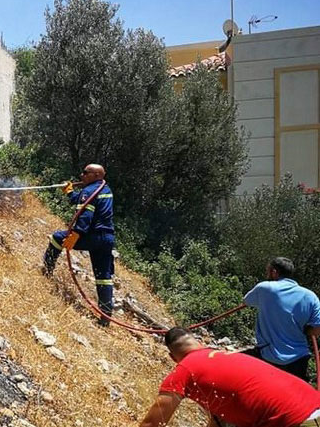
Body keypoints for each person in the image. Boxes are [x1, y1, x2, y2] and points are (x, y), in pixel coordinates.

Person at [139, 327, 320, 427]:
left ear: (172, 357)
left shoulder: (185, 369)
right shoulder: (227, 357)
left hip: (294, 421)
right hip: (312, 403)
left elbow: (152, 423)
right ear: (200, 343)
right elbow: (220, 420)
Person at [41, 163, 115, 326]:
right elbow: (83, 200)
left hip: (93, 236)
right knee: (103, 277)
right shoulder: (105, 189)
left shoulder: (89, 191)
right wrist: (70, 193)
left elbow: (85, 215)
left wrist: (75, 234)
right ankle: (105, 318)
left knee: (57, 238)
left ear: (96, 175)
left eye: (85, 172)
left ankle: (46, 271)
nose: (81, 175)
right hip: (107, 239)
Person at [242, 257, 320, 382]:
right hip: (299, 360)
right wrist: (305, 330)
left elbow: (246, 301)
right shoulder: (311, 296)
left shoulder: (265, 288)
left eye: (268, 271)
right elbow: (317, 330)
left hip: (269, 357)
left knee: (235, 367)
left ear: (274, 272)